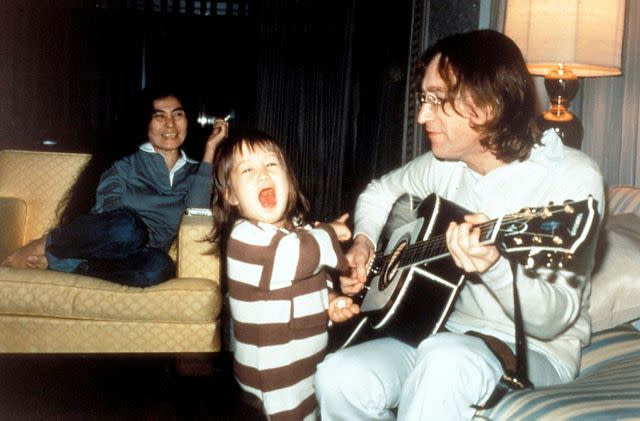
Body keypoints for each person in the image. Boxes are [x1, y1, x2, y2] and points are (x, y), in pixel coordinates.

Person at [314, 29, 605, 420]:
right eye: (424, 99)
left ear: (486, 106)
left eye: (437, 100)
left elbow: (553, 320)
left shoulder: (570, 177)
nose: (421, 116)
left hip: (533, 350)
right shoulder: (445, 166)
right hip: (439, 330)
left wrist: (497, 268)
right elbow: (379, 191)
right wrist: (364, 244)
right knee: (338, 375)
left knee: (444, 358)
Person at [1, 86, 229, 287]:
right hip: (112, 235)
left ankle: (66, 265)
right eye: (159, 116)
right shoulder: (126, 161)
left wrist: (210, 152)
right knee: (129, 227)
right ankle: (48, 242)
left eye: (177, 115)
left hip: (138, 256)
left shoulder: (196, 173)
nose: (170, 124)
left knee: (160, 267)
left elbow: (196, 212)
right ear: (146, 123)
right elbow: (108, 203)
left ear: (187, 121)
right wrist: (132, 230)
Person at [210, 130, 360, 420]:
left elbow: (312, 277)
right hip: (271, 387)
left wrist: (330, 301)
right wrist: (329, 232)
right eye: (248, 170)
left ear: (289, 181)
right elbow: (296, 257)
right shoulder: (245, 238)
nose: (262, 175)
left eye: (271, 164)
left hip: (306, 372)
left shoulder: (300, 231)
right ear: (231, 195)